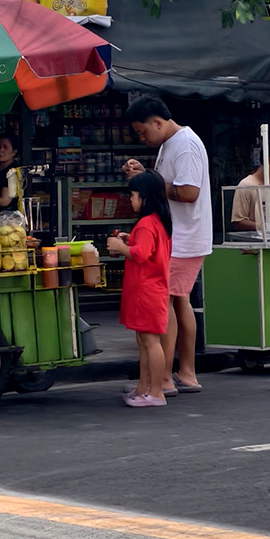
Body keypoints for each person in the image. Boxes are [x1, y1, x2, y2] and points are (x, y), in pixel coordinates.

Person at [123, 96, 211, 394]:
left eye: (143, 131)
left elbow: (188, 191)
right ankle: (184, 374)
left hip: (184, 236)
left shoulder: (185, 144)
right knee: (178, 299)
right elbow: (170, 182)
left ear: (157, 122)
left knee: (167, 300)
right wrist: (145, 175)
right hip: (181, 235)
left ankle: (163, 380)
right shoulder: (170, 144)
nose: (142, 138)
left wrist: (148, 183)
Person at [106, 170, 173, 408]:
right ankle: (143, 388)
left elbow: (141, 254)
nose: (131, 200)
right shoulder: (157, 221)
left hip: (147, 290)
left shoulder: (146, 224)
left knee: (150, 342)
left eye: (133, 195)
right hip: (151, 288)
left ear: (144, 197)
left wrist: (119, 246)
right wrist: (129, 239)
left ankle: (156, 392)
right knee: (144, 340)